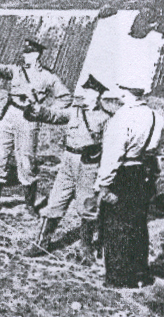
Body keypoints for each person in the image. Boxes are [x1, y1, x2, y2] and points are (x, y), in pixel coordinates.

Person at [0, 39, 71, 213]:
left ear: (36, 55)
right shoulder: (16, 70)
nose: (24, 56)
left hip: (29, 119)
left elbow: (65, 98)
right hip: (10, 113)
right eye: (24, 52)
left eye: (28, 53)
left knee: (26, 161)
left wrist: (45, 111)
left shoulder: (48, 77)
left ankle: (30, 205)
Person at [22, 75, 117, 262]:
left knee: (87, 206)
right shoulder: (75, 112)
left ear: (98, 95)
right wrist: (35, 108)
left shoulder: (106, 118)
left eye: (91, 92)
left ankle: (86, 249)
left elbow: (111, 147)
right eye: (85, 91)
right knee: (55, 201)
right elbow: (53, 115)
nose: (86, 95)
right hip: (67, 162)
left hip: (89, 166)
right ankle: (41, 243)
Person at [94, 84, 163, 288]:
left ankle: (118, 278)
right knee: (137, 223)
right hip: (143, 172)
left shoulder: (123, 117)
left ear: (124, 92)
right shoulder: (155, 116)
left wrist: (104, 184)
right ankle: (140, 272)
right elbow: (156, 147)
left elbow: (113, 155)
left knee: (116, 225)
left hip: (123, 172)